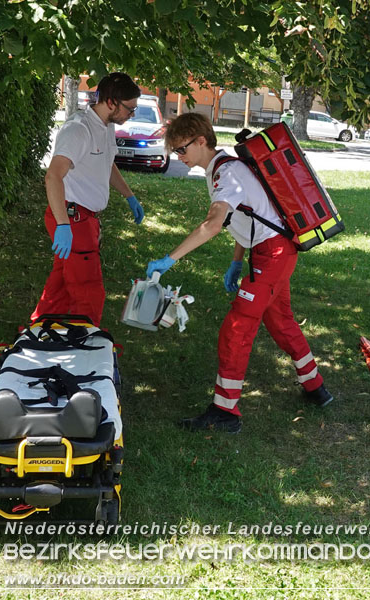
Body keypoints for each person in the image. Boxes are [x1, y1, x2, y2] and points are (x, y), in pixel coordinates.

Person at [146, 112, 333, 434]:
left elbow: (213, 224)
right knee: (281, 322)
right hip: (272, 252)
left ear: (201, 141)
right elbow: (248, 218)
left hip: (272, 255)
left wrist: (169, 259)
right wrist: (237, 260)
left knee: (236, 330)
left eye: (181, 149)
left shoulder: (227, 172)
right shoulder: (222, 169)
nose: (178, 156)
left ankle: (225, 412)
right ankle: (315, 386)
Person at [30, 72, 145, 326]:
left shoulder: (106, 126)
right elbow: (53, 176)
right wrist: (63, 225)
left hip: (84, 219)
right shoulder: (78, 130)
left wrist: (129, 196)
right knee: (88, 289)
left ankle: (41, 328)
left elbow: (107, 163)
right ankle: (86, 337)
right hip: (72, 218)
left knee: (61, 281)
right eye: (130, 109)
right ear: (111, 102)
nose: (132, 114)